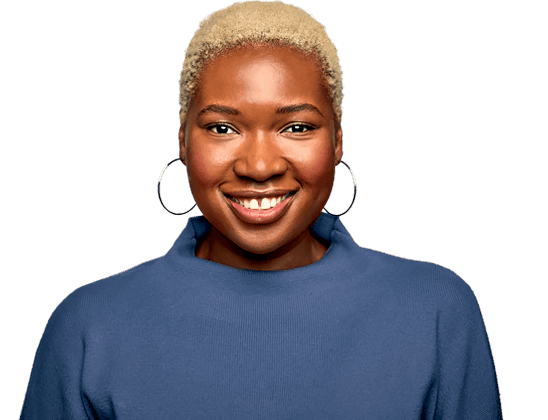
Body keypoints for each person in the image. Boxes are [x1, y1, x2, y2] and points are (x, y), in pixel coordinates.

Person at [19, 1, 503, 419]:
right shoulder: (89, 326)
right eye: (222, 129)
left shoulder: (436, 312)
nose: (259, 166)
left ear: (337, 141)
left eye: (295, 127)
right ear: (183, 142)